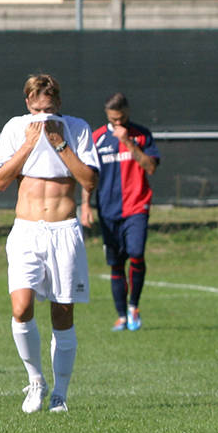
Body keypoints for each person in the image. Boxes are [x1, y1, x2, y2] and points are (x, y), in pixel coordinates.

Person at [0, 73, 99, 413]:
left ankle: (60, 394)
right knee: (21, 308)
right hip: (26, 231)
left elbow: (89, 181)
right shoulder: (15, 128)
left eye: (49, 110)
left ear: (59, 105)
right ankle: (35, 380)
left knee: (62, 314)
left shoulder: (77, 128)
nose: (43, 118)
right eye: (37, 110)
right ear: (27, 104)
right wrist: (28, 144)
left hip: (64, 230)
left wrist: (59, 143)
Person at [81, 93, 160, 332]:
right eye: (114, 119)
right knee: (116, 264)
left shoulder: (141, 134)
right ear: (107, 115)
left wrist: (129, 143)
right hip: (108, 210)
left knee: (136, 253)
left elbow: (151, 167)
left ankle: (133, 306)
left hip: (137, 207)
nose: (118, 123)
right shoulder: (96, 138)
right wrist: (85, 205)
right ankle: (121, 316)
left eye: (122, 117)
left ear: (128, 111)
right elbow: (88, 176)